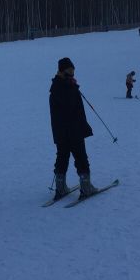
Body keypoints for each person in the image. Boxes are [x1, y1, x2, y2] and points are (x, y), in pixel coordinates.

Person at [49, 57, 98, 199]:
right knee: (80, 157)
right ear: (62, 70)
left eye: (73, 70)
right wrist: (73, 86)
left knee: (63, 157)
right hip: (72, 130)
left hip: (63, 131)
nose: (72, 73)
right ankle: (85, 187)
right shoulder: (62, 87)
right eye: (70, 70)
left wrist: (72, 85)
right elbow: (69, 105)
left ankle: (61, 187)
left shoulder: (58, 86)